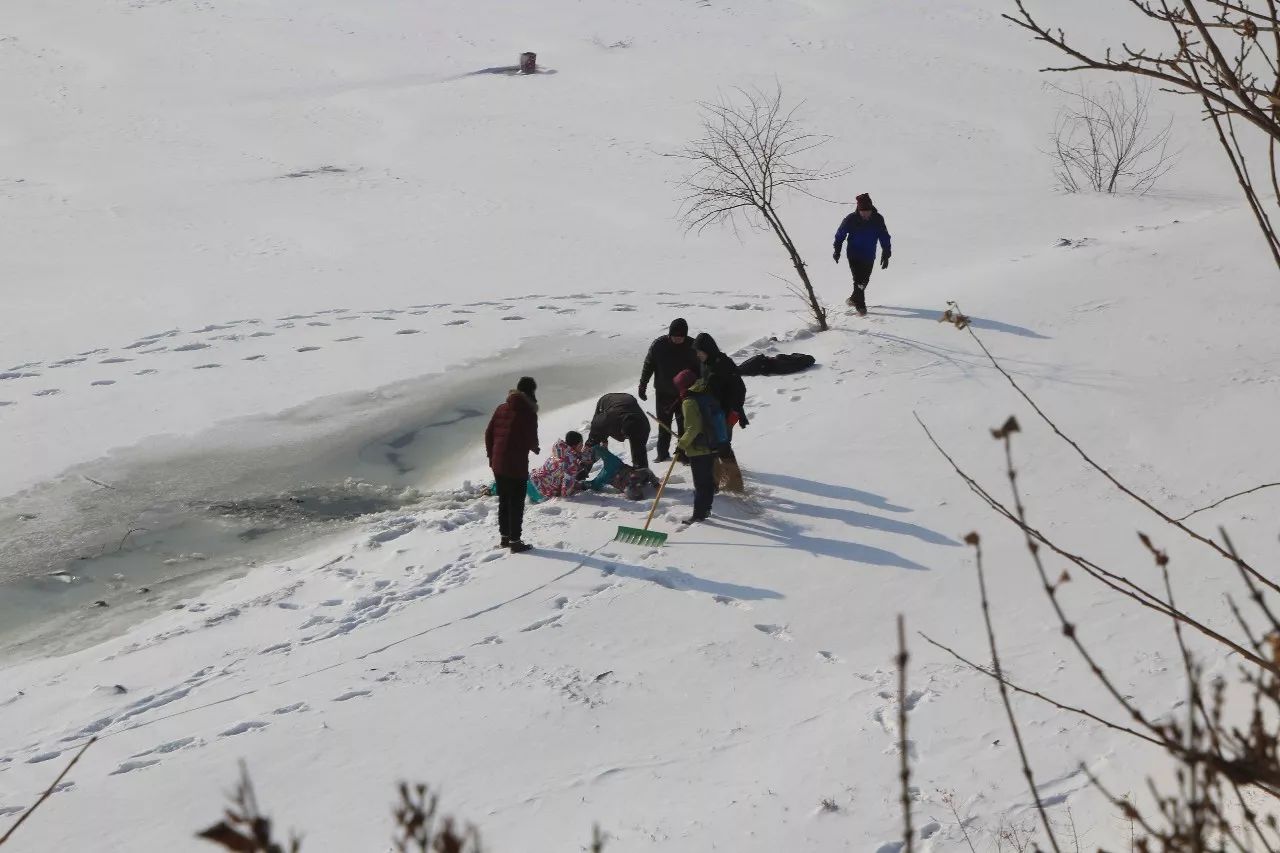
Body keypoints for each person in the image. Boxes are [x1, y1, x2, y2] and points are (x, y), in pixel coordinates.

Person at [484, 376, 540, 553]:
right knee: (516, 503)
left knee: (504, 500)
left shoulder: (501, 408)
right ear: (531, 391)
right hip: (516, 465)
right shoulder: (529, 413)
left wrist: (492, 457)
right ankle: (516, 542)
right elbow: (531, 438)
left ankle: (505, 538)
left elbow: (488, 433)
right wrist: (535, 447)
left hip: (498, 464)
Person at [638, 318, 700, 463]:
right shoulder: (658, 345)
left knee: (684, 426)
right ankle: (662, 454)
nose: (678, 339)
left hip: (685, 394)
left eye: (681, 336)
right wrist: (643, 385)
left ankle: (684, 455)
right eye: (675, 336)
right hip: (663, 393)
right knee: (664, 425)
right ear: (669, 334)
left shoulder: (692, 346)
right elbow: (648, 365)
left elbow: (700, 369)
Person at [694, 332, 748, 493]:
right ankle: (716, 481)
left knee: (723, 446)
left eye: (700, 351)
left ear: (708, 350)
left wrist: (737, 411)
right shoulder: (705, 363)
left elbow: (739, 390)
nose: (698, 355)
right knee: (712, 447)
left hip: (725, 414)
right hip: (710, 412)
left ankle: (735, 484)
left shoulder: (724, 364)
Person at [833, 192, 892, 317]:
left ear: (871, 209)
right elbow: (840, 235)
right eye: (862, 211)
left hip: (869, 255)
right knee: (858, 280)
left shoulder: (878, 219)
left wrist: (886, 251)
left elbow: (884, 236)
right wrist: (837, 249)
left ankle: (854, 299)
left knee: (865, 280)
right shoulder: (850, 219)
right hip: (853, 254)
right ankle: (861, 306)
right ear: (858, 210)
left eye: (867, 210)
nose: (865, 213)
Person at [673, 369, 717, 523]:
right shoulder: (705, 393)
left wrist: (681, 445)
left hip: (698, 448)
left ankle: (698, 515)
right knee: (708, 480)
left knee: (701, 484)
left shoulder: (689, 401)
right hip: (712, 443)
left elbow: (693, 427)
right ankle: (706, 509)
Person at [587, 392, 651, 470]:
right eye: (625, 436)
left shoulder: (644, 427)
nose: (625, 439)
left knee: (639, 452)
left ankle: (643, 476)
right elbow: (596, 428)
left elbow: (639, 450)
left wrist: (640, 468)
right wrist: (593, 444)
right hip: (606, 401)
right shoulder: (608, 418)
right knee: (595, 443)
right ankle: (586, 467)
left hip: (627, 402)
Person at [528, 430, 594, 499]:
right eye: (581, 444)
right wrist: (579, 486)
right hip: (538, 493)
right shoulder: (571, 464)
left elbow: (569, 458)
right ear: (574, 446)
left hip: (532, 480)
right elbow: (565, 492)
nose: (582, 446)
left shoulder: (559, 449)